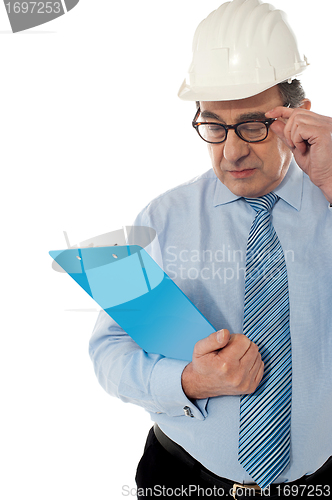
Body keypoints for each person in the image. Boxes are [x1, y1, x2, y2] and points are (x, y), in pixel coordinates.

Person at [89, 0, 332, 498]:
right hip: (182, 478)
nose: (232, 150)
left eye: (253, 125)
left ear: (299, 117)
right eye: (214, 126)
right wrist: (188, 382)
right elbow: (109, 349)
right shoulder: (161, 217)